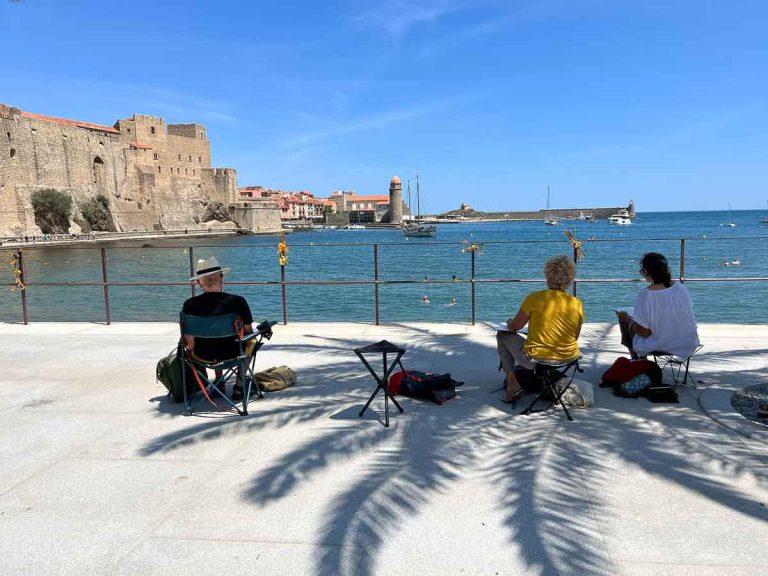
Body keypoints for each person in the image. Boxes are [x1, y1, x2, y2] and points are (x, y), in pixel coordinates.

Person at [497, 255, 584, 403]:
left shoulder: (535, 298)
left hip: (537, 358)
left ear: (547, 275)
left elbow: (514, 327)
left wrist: (509, 322)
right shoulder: (576, 303)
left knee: (502, 335)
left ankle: (512, 383)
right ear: (570, 278)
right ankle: (535, 381)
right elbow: (574, 336)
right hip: (568, 357)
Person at [181, 257, 254, 400]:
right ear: (221, 277)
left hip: (201, 356)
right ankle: (239, 387)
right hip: (233, 354)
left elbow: (189, 343)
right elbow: (249, 332)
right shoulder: (238, 301)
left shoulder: (189, 305)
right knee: (252, 342)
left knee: (210, 342)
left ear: (198, 282)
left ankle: (219, 382)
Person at [616, 252, 699, 359]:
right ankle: (638, 361)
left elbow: (644, 332)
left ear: (646, 271)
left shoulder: (646, 295)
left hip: (663, 344)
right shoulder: (681, 288)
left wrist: (628, 320)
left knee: (624, 318)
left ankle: (638, 361)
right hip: (688, 342)